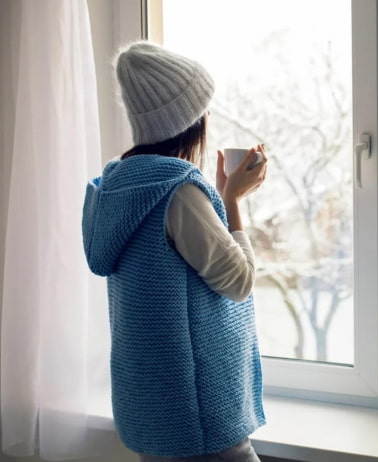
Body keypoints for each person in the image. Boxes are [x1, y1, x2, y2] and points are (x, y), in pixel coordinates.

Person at [81, 41, 267, 461]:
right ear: (188, 121)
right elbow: (239, 283)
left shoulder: (117, 185)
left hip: (154, 413)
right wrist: (233, 200)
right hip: (200, 417)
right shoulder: (177, 191)